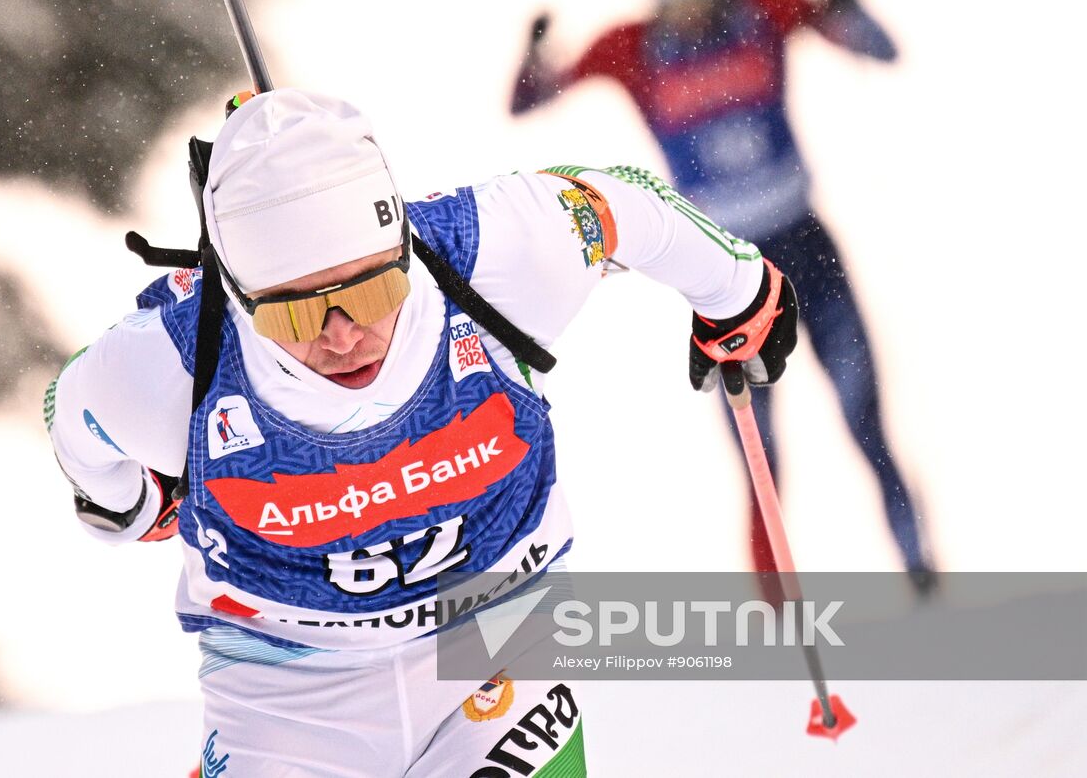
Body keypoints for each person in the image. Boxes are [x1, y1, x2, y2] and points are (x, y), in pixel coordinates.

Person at [44, 88, 796, 776]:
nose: (343, 336)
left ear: (400, 243)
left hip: (494, 654)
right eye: (296, 314)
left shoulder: (491, 249)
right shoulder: (167, 360)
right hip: (287, 705)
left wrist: (740, 291)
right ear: (239, 293)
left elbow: (625, 207)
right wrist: (129, 500)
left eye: (371, 289)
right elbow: (70, 416)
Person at [510, 0, 933, 586]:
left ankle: (917, 558)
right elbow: (528, 101)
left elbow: (878, 48)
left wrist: (848, 7)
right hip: (726, 268)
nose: (690, 7)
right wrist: (532, 56)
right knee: (755, 441)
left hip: (804, 243)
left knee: (862, 408)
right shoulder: (637, 47)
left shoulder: (760, 10)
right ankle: (776, 596)